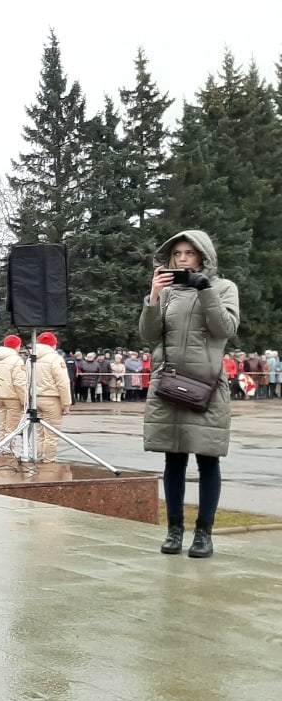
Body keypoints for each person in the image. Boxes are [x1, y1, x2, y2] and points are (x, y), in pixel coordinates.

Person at [141, 230, 239, 559]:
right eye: (177, 253)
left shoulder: (223, 288)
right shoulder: (168, 292)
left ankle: (203, 534)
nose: (182, 259)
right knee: (174, 459)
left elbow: (225, 329)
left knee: (208, 460)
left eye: (189, 253)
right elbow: (148, 335)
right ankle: (174, 530)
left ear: (203, 256)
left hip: (206, 387)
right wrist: (154, 297)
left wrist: (205, 290)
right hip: (169, 386)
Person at [31, 332, 72, 462]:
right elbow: (63, 383)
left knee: (41, 433)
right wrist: (66, 403)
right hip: (51, 399)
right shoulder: (55, 359)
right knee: (51, 434)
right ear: (53, 344)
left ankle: (39, 457)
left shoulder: (31, 358)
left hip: (35, 399)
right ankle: (49, 460)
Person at [0, 335, 28, 457]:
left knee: (2, 425)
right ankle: (7, 450)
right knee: (11, 427)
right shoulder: (16, 360)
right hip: (12, 397)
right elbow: (19, 383)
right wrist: (25, 401)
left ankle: (0, 447)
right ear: (18, 346)